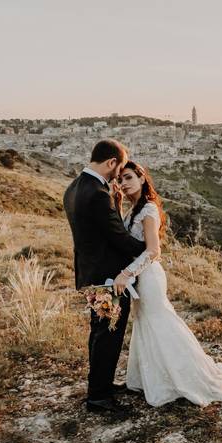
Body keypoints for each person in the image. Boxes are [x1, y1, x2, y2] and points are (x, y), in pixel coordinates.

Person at [114, 161, 222, 406]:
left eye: (129, 177)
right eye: (120, 179)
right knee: (144, 323)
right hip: (138, 276)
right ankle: (150, 377)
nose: (124, 183)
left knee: (160, 321)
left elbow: (154, 251)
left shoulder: (148, 210)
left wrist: (126, 274)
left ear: (142, 178)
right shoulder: (132, 210)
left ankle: (184, 377)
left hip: (148, 276)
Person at [62, 139, 147, 413]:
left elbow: (100, 231)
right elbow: (119, 237)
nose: (119, 174)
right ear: (111, 162)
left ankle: (101, 385)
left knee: (100, 333)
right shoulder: (98, 193)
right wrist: (148, 249)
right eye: (119, 167)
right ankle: (99, 397)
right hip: (106, 279)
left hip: (89, 275)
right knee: (108, 335)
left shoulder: (73, 187)